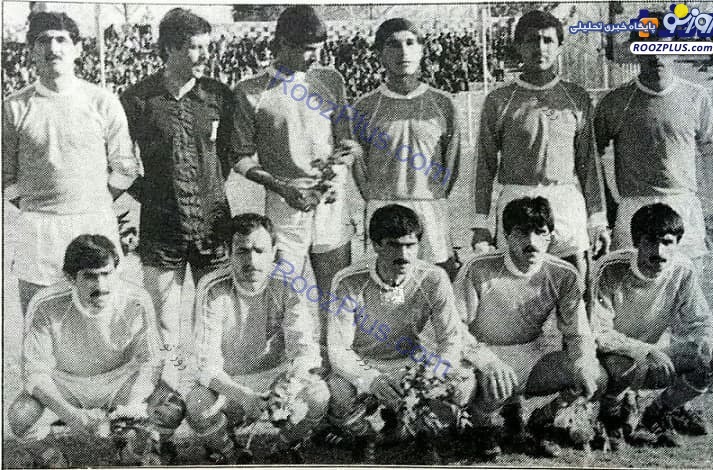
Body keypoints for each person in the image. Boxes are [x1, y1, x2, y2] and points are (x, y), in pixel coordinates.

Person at [231, 5, 362, 357]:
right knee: (285, 289)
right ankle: (290, 366)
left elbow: (348, 142)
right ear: (281, 44)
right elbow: (240, 157)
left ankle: (336, 364)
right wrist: (282, 188)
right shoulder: (251, 91)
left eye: (318, 48)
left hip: (331, 201)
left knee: (336, 289)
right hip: (284, 204)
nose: (314, 56)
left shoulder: (331, 80)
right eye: (306, 49)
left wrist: (337, 171)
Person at [120, 8, 235, 382]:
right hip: (161, 227)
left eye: (207, 47)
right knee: (163, 323)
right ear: (169, 48)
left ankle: (216, 400)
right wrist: (153, 194)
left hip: (212, 225)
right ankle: (166, 399)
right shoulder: (137, 99)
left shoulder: (218, 95)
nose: (204, 55)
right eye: (195, 47)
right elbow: (119, 160)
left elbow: (226, 155)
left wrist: (208, 189)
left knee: (216, 318)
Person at [2, 12, 138, 314]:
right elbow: (4, 175)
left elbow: (125, 166)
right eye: (44, 40)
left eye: (62, 40)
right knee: (40, 317)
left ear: (77, 48)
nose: (53, 48)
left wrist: (94, 199)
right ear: (31, 50)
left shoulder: (102, 101)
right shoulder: (13, 108)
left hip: (93, 221)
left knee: (100, 317)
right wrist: (37, 203)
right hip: (39, 228)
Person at [7, 235, 185, 465]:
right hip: (67, 383)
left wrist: (132, 406)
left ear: (116, 270)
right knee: (21, 415)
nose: (101, 286)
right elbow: (34, 373)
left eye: (106, 274)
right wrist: (70, 415)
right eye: (90, 276)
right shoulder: (45, 303)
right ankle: (53, 458)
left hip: (119, 381)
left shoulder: (137, 299)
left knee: (171, 406)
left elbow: (151, 360)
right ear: (70, 277)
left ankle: (135, 450)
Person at [455, 197, 602, 458]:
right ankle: (482, 423)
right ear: (506, 236)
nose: (531, 241)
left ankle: (542, 418)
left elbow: (578, 332)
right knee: (459, 386)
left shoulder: (564, 273)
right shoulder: (478, 267)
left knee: (594, 374)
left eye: (540, 232)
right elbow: (455, 329)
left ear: (550, 237)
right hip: (484, 353)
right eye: (522, 233)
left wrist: (584, 363)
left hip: (530, 354)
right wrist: (487, 361)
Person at [326, 204, 474, 464]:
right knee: (336, 390)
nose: (404, 255)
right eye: (394, 245)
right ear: (376, 245)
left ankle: (422, 433)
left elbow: (451, 339)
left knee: (463, 382)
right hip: (366, 363)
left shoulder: (434, 277)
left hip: (411, 363)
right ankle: (365, 436)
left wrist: (431, 374)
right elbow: (338, 349)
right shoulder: (349, 280)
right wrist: (371, 379)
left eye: (410, 245)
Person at [472, 10, 609, 284]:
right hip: (517, 200)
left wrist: (597, 220)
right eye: (531, 40)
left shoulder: (576, 97)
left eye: (548, 40)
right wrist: (480, 224)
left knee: (575, 284)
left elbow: (589, 165)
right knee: (516, 288)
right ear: (518, 46)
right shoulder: (499, 99)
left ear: (559, 46)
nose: (540, 47)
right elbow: (483, 166)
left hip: (565, 201)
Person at [186, 214, 328, 464]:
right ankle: (231, 453)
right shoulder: (211, 287)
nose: (251, 261)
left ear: (273, 251)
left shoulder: (289, 283)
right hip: (230, 382)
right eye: (242, 251)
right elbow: (205, 365)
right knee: (197, 403)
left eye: (260, 251)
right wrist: (243, 396)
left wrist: (288, 388)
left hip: (277, 379)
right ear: (228, 252)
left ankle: (283, 446)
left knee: (319, 395)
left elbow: (305, 351)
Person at [594, 13, 713, 271]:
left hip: (683, 204)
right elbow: (591, 155)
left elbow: (712, 150)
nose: (655, 54)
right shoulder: (616, 101)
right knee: (631, 288)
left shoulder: (696, 97)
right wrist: (607, 205)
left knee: (686, 286)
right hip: (634, 207)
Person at [592, 203, 713, 449]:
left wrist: (707, 343)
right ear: (636, 241)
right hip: (609, 357)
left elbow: (700, 321)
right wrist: (646, 351)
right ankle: (610, 415)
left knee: (710, 359)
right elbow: (599, 333)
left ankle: (657, 413)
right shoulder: (609, 268)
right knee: (623, 366)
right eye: (651, 241)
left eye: (667, 242)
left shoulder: (682, 270)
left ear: (677, 243)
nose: (659, 251)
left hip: (652, 355)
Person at [349, 18, 461, 278]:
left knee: (437, 281)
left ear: (421, 50)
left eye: (411, 43)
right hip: (383, 205)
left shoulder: (443, 103)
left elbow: (452, 163)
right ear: (379, 53)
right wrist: (377, 200)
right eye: (393, 44)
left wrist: (431, 195)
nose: (403, 52)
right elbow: (359, 166)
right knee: (388, 285)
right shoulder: (365, 107)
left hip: (430, 206)